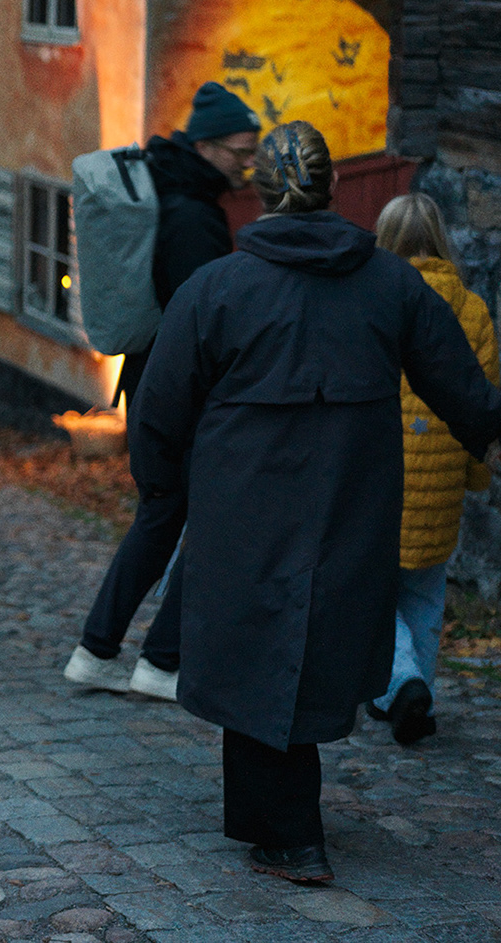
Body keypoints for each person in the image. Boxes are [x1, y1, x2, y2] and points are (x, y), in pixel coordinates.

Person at [130, 122, 501, 885]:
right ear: (331, 187)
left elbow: (159, 409)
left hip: (246, 511)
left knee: (266, 654)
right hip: (348, 508)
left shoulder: (218, 288)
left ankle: (293, 834)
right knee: (281, 652)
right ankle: (271, 824)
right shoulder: (390, 284)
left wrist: (164, 485)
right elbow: (465, 390)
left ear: (260, 191)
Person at [65, 80, 260, 699]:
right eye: (239, 151)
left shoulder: (170, 190)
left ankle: (98, 650)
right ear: (205, 146)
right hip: (181, 397)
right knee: (210, 524)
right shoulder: (193, 216)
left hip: (151, 385)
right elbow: (201, 322)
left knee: (159, 520)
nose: (247, 163)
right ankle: (159, 660)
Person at [367, 193, 497, 744]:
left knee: (372, 593)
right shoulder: (473, 309)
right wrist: (475, 478)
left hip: (381, 477)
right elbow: (481, 405)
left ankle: (401, 684)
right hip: (441, 481)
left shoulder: (375, 301)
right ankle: (414, 698)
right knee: (424, 594)